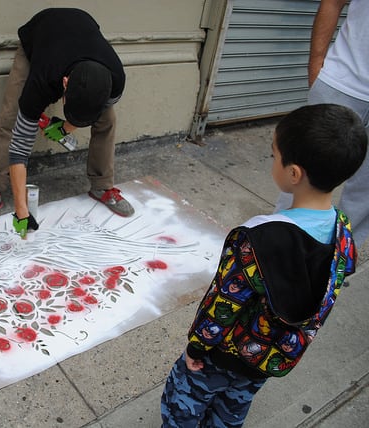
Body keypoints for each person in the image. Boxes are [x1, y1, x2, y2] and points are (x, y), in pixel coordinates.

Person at [161, 104, 367, 427]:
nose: (272, 161)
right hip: (268, 359)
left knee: (183, 403)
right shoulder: (343, 234)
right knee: (232, 409)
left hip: (220, 357)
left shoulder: (257, 239)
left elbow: (223, 302)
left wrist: (196, 348)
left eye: (274, 155)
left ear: (294, 173)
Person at [0, 8, 134, 236]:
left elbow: (97, 109)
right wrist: (21, 210)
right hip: (40, 36)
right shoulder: (42, 80)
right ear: (65, 83)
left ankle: (102, 186)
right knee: (10, 116)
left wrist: (65, 127)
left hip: (82, 29)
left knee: (107, 119)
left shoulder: (116, 80)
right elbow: (19, 147)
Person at [275, 0, 369, 249]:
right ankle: (278, 245)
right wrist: (317, 66)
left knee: (365, 192)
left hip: (340, 83)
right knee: (301, 172)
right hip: (342, 82)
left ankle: (337, 258)